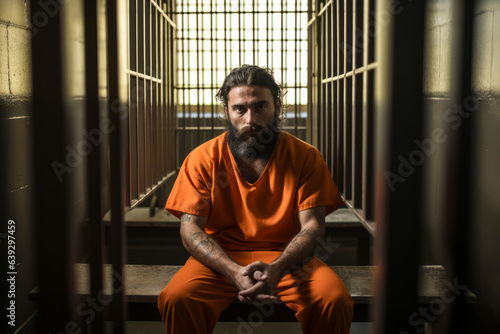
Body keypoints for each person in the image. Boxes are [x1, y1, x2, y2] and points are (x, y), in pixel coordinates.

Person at [157, 65, 354, 333]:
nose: (251, 119)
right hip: (220, 258)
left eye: (260, 107)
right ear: (226, 111)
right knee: (177, 299)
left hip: (288, 259)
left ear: (277, 107)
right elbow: (190, 228)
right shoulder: (202, 159)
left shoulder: (306, 157)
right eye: (240, 109)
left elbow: (313, 227)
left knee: (333, 300)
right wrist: (232, 271)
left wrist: (277, 267)